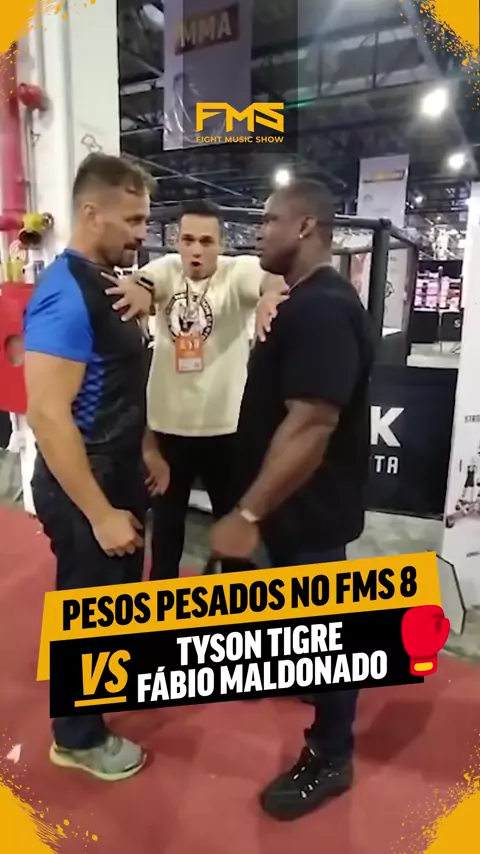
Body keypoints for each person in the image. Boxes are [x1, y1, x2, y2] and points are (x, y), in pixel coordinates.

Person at [210, 179, 376, 821]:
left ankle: (331, 754)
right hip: (293, 514)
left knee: (326, 637)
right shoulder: (303, 300)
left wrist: (248, 511)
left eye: (270, 220)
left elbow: (311, 424)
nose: (259, 231)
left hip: (308, 512)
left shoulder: (323, 308)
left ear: (305, 227)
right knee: (305, 630)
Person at [24, 152, 164, 781]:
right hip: (85, 484)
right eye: (132, 220)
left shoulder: (109, 281)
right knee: (89, 609)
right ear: (91, 213)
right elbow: (48, 414)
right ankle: (77, 739)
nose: (142, 233)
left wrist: (147, 451)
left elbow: (121, 383)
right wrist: (101, 512)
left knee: (113, 605)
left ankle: (99, 700)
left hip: (118, 470)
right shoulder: (64, 294)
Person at [103, 200, 286, 581]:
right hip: (169, 433)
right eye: (188, 240)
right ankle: (164, 607)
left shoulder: (237, 272)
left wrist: (270, 296)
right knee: (166, 533)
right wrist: (138, 294)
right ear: (177, 242)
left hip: (226, 432)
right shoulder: (166, 269)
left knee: (232, 531)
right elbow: (145, 283)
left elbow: (269, 280)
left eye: (206, 241)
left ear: (221, 244)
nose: (196, 250)